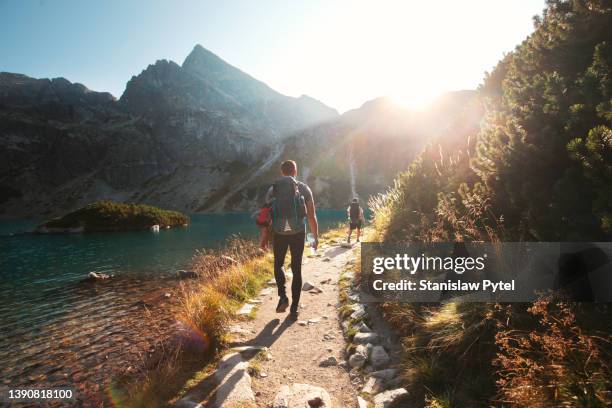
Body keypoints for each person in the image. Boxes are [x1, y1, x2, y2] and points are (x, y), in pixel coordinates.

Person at [267, 160, 318, 319]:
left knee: (278, 263)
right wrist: (315, 236)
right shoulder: (303, 188)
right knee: (296, 267)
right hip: (298, 231)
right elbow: (311, 215)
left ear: (282, 172)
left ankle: (283, 296)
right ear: (295, 171)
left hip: (279, 231)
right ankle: (294, 308)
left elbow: (267, 215)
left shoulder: (273, 189)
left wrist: (267, 236)